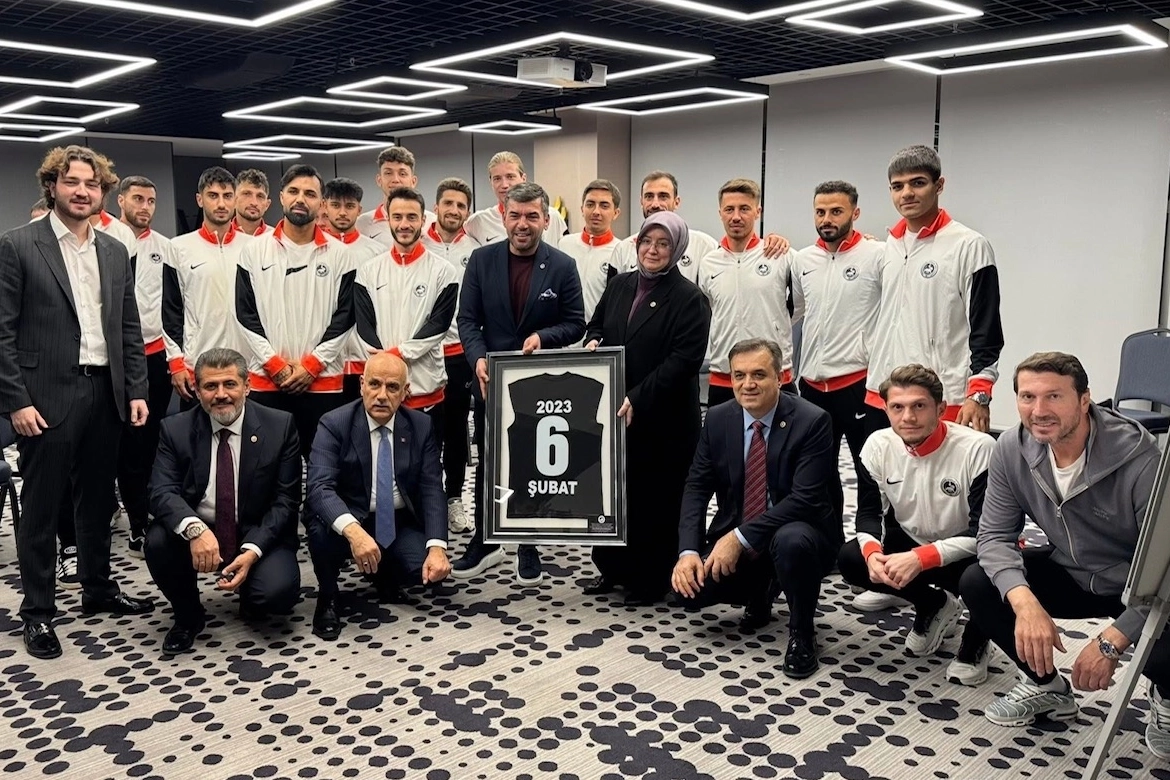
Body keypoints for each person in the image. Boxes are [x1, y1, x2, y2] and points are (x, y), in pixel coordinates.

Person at [961, 353, 1170, 750]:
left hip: (1139, 585)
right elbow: (993, 537)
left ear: (1084, 399)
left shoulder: (1141, 460)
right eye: (1027, 397)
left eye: (1054, 396)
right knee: (979, 582)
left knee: (1163, 656)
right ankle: (1046, 687)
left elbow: (1166, 569)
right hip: (1072, 570)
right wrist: (1025, 604)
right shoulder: (1011, 449)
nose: (1039, 411)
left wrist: (1113, 640)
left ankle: (1166, 694)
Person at [0, 144, 155, 660]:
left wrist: (136, 389)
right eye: (72, 182)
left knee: (99, 500)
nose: (82, 191)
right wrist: (16, 401)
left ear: (103, 191)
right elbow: (1, 333)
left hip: (105, 392)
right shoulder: (18, 245)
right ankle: (38, 613)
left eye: (92, 183)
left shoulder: (113, 250)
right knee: (43, 508)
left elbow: (128, 326)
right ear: (52, 186)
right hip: (44, 397)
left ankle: (98, 587)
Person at [673, 338, 837, 679]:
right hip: (743, 533)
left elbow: (804, 500)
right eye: (739, 375)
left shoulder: (813, 421)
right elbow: (697, 487)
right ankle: (762, 587)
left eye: (759, 374)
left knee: (790, 542)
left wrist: (738, 537)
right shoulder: (718, 419)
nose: (748, 384)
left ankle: (802, 633)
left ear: (780, 377)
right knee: (688, 592)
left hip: (801, 534)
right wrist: (688, 551)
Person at [452, 181, 586, 584]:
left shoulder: (562, 265)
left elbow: (575, 323)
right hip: (490, 382)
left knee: (529, 464)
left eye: (531, 216)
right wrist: (477, 359)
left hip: (537, 386)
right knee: (489, 462)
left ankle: (528, 542)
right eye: (515, 215)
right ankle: (485, 539)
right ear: (504, 217)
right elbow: (467, 320)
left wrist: (543, 337)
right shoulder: (481, 261)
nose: (522, 224)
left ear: (545, 219)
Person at [583, 211, 710, 604]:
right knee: (616, 493)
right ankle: (614, 568)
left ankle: (652, 579)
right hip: (615, 414)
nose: (652, 250)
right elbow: (596, 324)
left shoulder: (690, 298)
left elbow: (683, 361)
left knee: (656, 499)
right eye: (646, 242)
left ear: (677, 249)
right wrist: (592, 342)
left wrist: (638, 396)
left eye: (663, 244)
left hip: (663, 420)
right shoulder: (619, 284)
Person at [837, 364, 993, 683]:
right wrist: (873, 555)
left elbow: (986, 533)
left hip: (970, 553)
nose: (908, 417)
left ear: (940, 409)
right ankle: (934, 604)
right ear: (886, 410)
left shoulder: (979, 449)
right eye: (897, 407)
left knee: (988, 577)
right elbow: (869, 513)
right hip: (915, 542)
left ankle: (976, 642)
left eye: (919, 406)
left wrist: (921, 559)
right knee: (852, 558)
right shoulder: (877, 445)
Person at [146, 348, 302, 654]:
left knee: (276, 596)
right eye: (210, 386)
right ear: (197, 390)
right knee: (158, 540)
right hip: (200, 529)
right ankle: (188, 615)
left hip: (256, 530)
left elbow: (286, 501)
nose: (221, 395)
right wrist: (195, 530)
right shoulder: (175, 429)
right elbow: (160, 491)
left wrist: (253, 550)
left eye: (230, 384)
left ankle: (251, 593)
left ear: (247, 386)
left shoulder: (279, 426)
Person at [790, 180, 890, 612]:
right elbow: (794, 312)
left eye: (836, 211)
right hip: (813, 387)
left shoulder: (877, 255)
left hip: (860, 384)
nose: (827, 219)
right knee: (819, 474)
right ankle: (830, 549)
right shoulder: (802, 260)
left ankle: (877, 560)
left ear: (855, 213)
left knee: (871, 475)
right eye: (820, 212)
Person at [305, 353, 450, 640]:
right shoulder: (334, 423)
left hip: (396, 520)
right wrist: (354, 533)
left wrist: (437, 547)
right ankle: (328, 596)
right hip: (347, 520)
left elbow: (432, 488)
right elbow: (319, 488)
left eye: (392, 387)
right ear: (362, 385)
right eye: (374, 384)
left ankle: (383, 574)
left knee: (425, 575)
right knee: (320, 530)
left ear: (405, 392)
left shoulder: (420, 426)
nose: (382, 395)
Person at [865, 144, 1003, 432]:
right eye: (897, 186)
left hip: (942, 395)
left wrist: (980, 392)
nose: (906, 193)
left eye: (917, 183)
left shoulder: (968, 245)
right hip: (887, 393)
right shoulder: (888, 246)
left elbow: (986, 327)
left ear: (939, 185)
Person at [236, 164, 357, 462]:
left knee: (324, 468)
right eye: (293, 191)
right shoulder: (253, 251)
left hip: (323, 383)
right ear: (281, 197)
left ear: (322, 203)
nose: (301, 198)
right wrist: (275, 365)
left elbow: (346, 316)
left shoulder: (342, 255)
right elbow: (244, 314)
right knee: (268, 468)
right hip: (267, 381)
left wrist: (312, 365)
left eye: (310, 194)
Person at [353, 186, 459, 438]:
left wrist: (394, 358)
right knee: (382, 458)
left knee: (428, 459)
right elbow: (364, 327)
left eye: (412, 217)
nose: (404, 224)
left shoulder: (444, 271)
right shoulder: (368, 271)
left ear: (423, 220)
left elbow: (438, 327)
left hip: (424, 387)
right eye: (397, 217)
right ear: (388, 219)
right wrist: (390, 376)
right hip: (382, 392)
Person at [115, 175, 176, 558]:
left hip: (155, 356)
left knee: (149, 440)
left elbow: (172, 306)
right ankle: (133, 516)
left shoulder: (165, 248)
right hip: (115, 358)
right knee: (124, 442)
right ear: (121, 200)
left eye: (151, 201)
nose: (145, 207)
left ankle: (147, 516)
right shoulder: (105, 240)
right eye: (138, 199)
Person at [700, 178, 800, 408]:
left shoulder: (781, 255)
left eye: (744, 209)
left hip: (774, 374)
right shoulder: (708, 263)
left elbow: (801, 303)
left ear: (758, 212)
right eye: (729, 209)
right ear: (720, 213)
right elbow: (712, 308)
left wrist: (777, 323)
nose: (736, 216)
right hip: (724, 376)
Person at [165, 167, 253, 410]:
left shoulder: (254, 247)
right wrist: (176, 362)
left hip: (247, 364)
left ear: (235, 199)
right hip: (198, 365)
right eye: (213, 196)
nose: (221, 203)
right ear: (199, 199)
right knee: (196, 431)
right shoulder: (179, 247)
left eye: (227, 196)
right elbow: (170, 310)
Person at [422, 178, 480, 533]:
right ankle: (425, 500)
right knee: (424, 431)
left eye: (461, 205)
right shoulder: (418, 243)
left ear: (467, 212)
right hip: (421, 354)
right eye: (448, 203)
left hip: (459, 354)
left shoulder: (474, 249)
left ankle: (455, 498)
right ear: (436, 207)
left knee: (457, 429)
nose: (454, 210)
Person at [611, 171, 790, 284]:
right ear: (641, 201)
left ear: (676, 201)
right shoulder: (623, 248)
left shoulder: (703, 244)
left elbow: (736, 258)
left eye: (663, 196)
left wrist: (769, 241)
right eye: (649, 196)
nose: (655, 204)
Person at [320, 177, 385, 402]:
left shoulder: (376, 252)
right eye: (335, 205)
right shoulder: (313, 250)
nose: (342, 212)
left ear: (359, 209)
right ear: (324, 206)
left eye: (349, 206)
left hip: (365, 359)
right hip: (324, 362)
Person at [463, 151, 568, 245]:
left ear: (523, 179)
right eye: (497, 179)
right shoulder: (477, 222)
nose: (504, 185)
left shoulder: (553, 216)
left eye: (510, 177)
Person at [559, 179, 622, 325]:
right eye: (590, 204)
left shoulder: (621, 251)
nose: (596, 212)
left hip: (600, 336)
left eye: (604, 206)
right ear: (582, 209)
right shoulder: (564, 244)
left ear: (616, 213)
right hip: (565, 334)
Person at [355, 146, 435, 245]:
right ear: (379, 180)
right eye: (388, 173)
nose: (395, 180)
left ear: (413, 181)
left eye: (402, 174)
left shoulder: (432, 222)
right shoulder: (362, 224)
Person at [233, 169, 273, 236]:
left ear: (267, 205)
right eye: (246, 194)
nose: (254, 203)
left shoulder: (276, 238)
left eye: (260, 196)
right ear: (234, 200)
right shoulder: (220, 236)